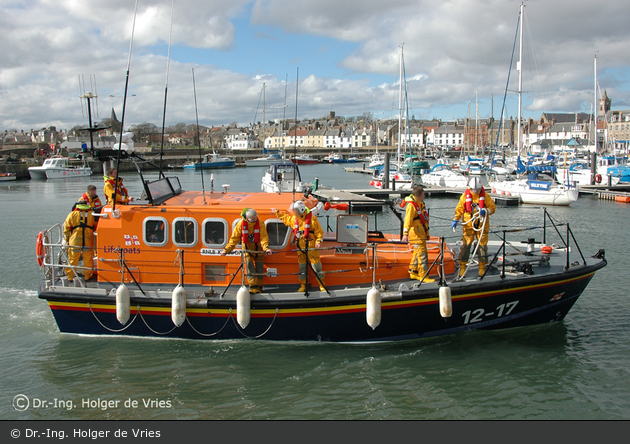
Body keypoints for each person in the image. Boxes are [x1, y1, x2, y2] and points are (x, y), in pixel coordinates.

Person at [273, 200, 325, 292]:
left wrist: (318, 242)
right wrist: (277, 213)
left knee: (316, 266)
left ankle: (321, 284)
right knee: (302, 267)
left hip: (311, 246)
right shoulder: (294, 219)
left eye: (296, 211)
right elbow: (286, 219)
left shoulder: (312, 219)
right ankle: (303, 285)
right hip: (300, 247)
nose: (294, 212)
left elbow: (319, 232)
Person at [451, 177, 496, 279]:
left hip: (482, 224)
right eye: (473, 189)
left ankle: (482, 266)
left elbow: (492, 208)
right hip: (469, 225)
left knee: (482, 246)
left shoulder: (486, 197)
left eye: (477, 189)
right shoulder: (464, 197)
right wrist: (455, 219)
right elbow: (459, 209)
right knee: (466, 245)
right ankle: (462, 266)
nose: (475, 191)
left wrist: (486, 211)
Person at [221, 208, 272, 294]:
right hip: (247, 250)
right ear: (247, 218)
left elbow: (264, 237)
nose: (255, 220)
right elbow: (234, 239)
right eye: (253, 219)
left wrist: (266, 248)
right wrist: (226, 250)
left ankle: (259, 286)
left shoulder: (260, 223)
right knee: (249, 268)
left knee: (260, 268)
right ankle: (253, 287)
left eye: (256, 218)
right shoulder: (240, 224)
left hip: (259, 250)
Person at [401, 186, 435, 283]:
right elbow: (407, 221)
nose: (425, 196)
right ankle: (423, 275)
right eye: (423, 194)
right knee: (423, 254)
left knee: (417, 252)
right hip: (416, 234)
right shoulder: (412, 206)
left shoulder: (419, 204)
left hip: (420, 233)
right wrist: (405, 234)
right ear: (419, 195)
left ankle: (413, 272)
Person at [63, 199, 96, 283]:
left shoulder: (72, 214)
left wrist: (66, 239)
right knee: (88, 258)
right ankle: (87, 276)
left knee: (73, 258)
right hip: (88, 238)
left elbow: (66, 228)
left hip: (75, 239)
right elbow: (95, 226)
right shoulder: (92, 214)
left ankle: (70, 276)